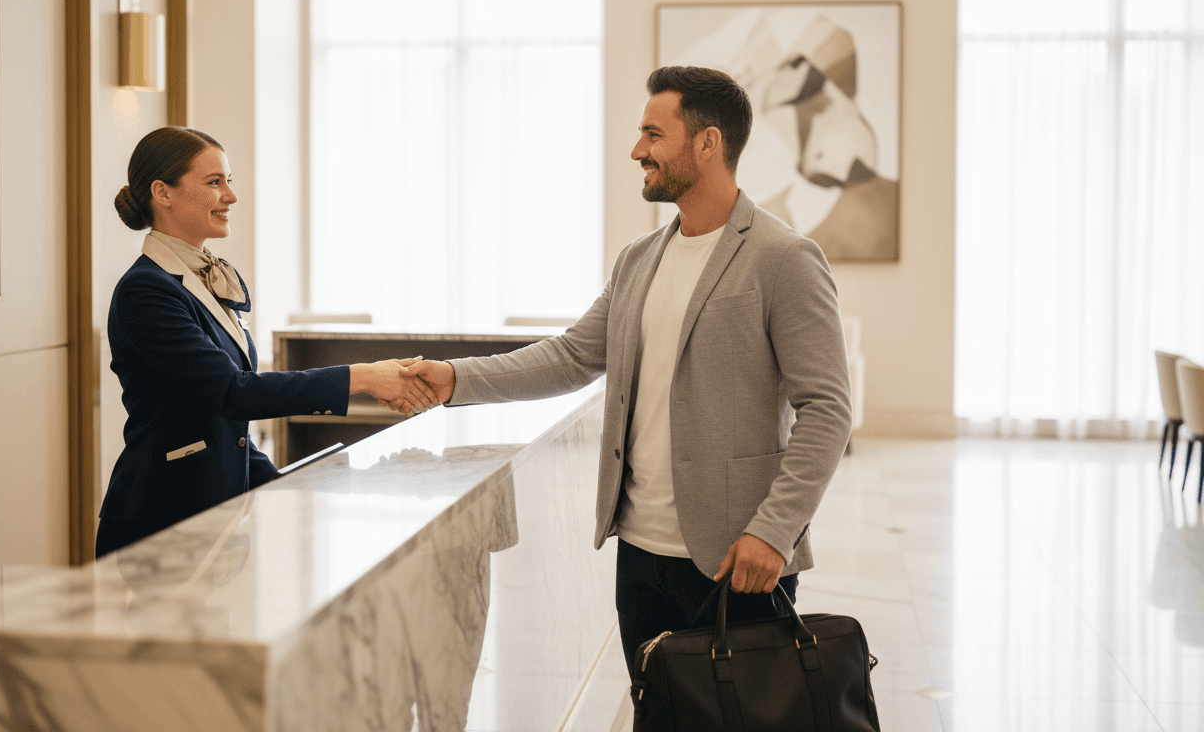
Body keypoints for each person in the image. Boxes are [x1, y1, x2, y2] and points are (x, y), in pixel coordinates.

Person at [401, 67, 852, 672]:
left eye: (653, 134)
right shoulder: (637, 260)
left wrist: (775, 530)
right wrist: (456, 379)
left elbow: (827, 410)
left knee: (740, 714)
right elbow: (572, 355)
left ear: (708, 143)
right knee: (654, 709)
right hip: (639, 556)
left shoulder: (785, 258)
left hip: (737, 562)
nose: (637, 150)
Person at [97, 126, 438, 558]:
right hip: (160, 518)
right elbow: (233, 393)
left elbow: (225, 429)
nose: (230, 196)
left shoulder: (202, 278)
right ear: (162, 192)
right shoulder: (146, 290)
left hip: (214, 516)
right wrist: (363, 377)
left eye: (228, 181)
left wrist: (291, 487)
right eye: (214, 182)